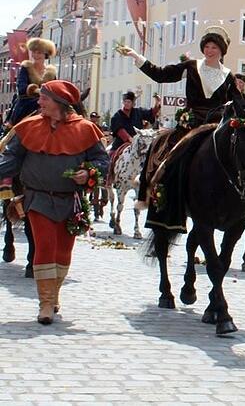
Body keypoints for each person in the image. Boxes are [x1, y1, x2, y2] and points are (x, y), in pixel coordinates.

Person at [0, 80, 109, 324]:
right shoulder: (27, 127)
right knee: (45, 246)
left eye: (44, 98)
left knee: (63, 252)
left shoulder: (85, 129)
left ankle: (54, 292)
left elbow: (102, 162)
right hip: (37, 199)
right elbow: (10, 160)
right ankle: (46, 304)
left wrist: (88, 173)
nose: (39, 102)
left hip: (71, 201)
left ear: (59, 103)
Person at [117, 25, 245, 231]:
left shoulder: (228, 76)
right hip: (191, 123)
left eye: (214, 47)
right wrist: (136, 57)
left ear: (222, 51)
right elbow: (161, 75)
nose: (210, 50)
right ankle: (157, 191)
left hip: (215, 125)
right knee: (170, 155)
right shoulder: (191, 66)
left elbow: (239, 101)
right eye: (207, 46)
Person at [10, 38, 58, 126]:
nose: (36, 55)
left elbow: (55, 90)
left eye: (39, 53)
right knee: (16, 126)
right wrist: (37, 91)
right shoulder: (26, 68)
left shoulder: (51, 72)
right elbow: (21, 88)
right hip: (27, 104)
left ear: (45, 54)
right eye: (34, 52)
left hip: (46, 104)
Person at [109, 90, 160, 156]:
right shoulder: (117, 115)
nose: (126, 103)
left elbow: (151, 113)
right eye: (125, 101)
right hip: (121, 144)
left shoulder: (138, 112)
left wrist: (157, 103)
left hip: (138, 143)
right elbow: (120, 130)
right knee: (112, 157)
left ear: (133, 103)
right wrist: (130, 139)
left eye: (129, 102)